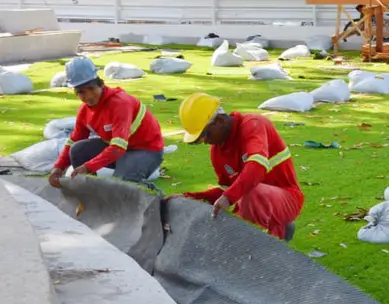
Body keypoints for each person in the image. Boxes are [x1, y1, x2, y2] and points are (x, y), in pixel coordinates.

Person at [175, 93, 304, 240]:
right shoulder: (217, 151)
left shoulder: (253, 124)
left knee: (250, 193)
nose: (205, 141)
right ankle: (266, 236)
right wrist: (191, 197)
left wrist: (229, 197)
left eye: (206, 134)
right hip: (254, 202)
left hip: (287, 198)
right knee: (235, 204)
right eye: (199, 140)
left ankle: (268, 243)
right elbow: (226, 192)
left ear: (219, 120)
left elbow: (256, 166)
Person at [48, 57, 165, 188]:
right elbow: (74, 140)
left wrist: (88, 167)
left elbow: (118, 147)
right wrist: (58, 167)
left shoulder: (120, 104)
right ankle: (91, 193)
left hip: (145, 150)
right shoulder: (84, 111)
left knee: (120, 187)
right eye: (81, 92)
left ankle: (152, 194)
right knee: (77, 150)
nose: (89, 96)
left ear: (101, 84)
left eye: (91, 88)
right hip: (120, 148)